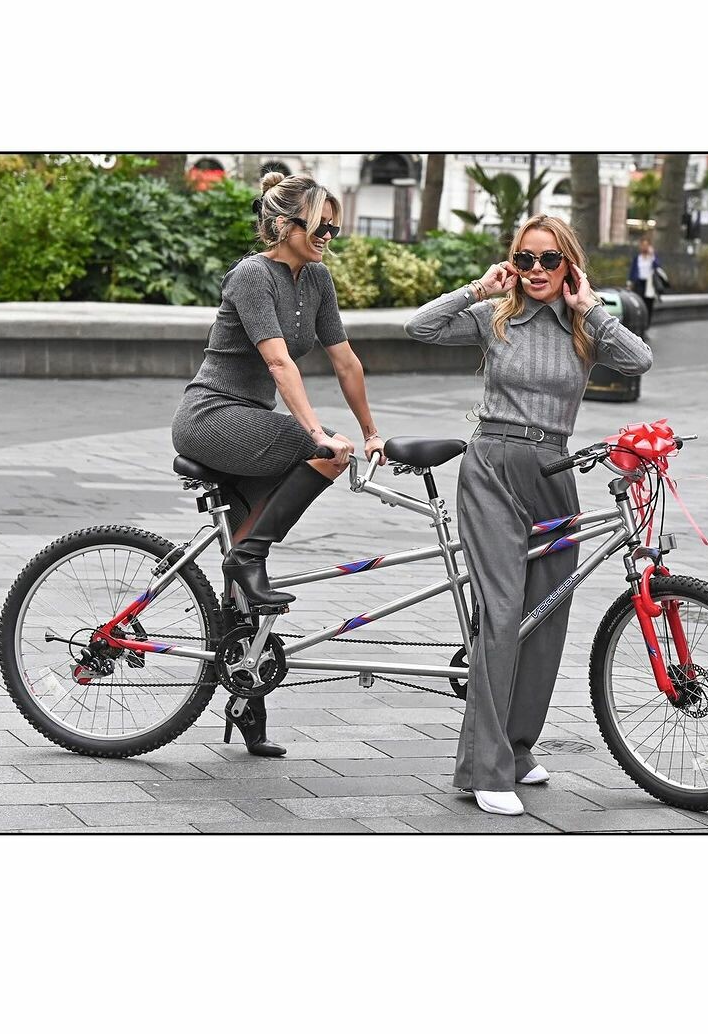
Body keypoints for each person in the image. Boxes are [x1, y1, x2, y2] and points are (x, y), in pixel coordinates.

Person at [405, 216, 652, 815]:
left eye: (548, 260)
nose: (536, 270)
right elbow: (419, 326)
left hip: (554, 472)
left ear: (569, 266)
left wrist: (590, 308)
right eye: (525, 259)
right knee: (502, 612)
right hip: (492, 466)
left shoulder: (584, 327)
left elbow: (639, 359)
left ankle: (515, 749)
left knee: (546, 615)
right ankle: (484, 769)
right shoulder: (496, 317)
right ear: (512, 263)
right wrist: (478, 287)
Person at [171, 172, 385, 756]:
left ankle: (245, 697)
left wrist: (371, 433)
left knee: (248, 562)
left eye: (334, 229)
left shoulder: (316, 278)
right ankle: (247, 557)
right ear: (285, 225)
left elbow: (345, 361)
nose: (329, 237)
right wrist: (316, 433)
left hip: (252, 427)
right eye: (320, 227)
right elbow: (279, 365)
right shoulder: (251, 275)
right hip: (213, 416)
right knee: (318, 455)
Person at [627, 234, 665, 324]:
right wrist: (629, 284)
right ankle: (640, 324)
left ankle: (646, 324)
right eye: (642, 245)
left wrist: (652, 255)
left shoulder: (652, 258)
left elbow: (658, 267)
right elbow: (633, 271)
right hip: (639, 284)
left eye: (646, 245)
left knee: (648, 306)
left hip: (649, 285)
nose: (644, 247)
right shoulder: (638, 258)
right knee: (639, 304)